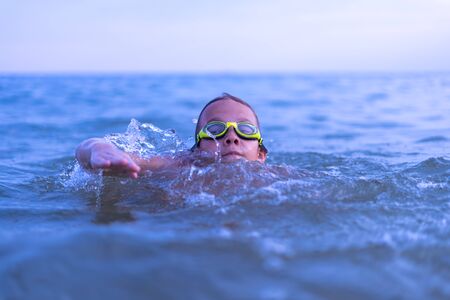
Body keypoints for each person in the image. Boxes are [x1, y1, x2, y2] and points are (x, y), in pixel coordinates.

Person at [75, 93, 268, 178]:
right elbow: (87, 150)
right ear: (197, 150)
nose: (232, 137)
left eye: (246, 130)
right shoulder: (178, 167)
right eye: (215, 130)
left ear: (261, 155)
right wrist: (100, 149)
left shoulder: (277, 178)